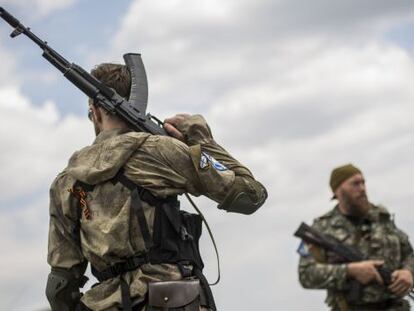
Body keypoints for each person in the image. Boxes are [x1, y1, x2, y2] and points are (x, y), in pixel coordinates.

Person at [45, 63, 267, 311]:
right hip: (171, 300)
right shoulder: (163, 151)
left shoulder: (67, 182)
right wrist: (203, 141)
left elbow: (60, 285)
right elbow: (249, 196)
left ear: (95, 113)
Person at [298, 164, 414, 310]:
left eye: (363, 182)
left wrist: (408, 272)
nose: (362, 188)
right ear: (338, 190)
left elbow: (409, 254)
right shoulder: (321, 229)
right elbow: (306, 275)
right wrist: (350, 271)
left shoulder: (382, 218)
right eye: (355, 183)